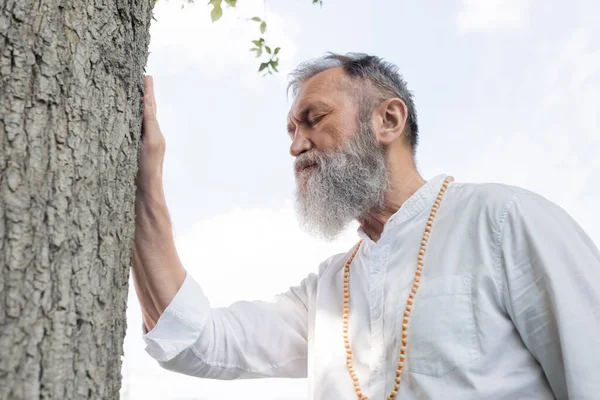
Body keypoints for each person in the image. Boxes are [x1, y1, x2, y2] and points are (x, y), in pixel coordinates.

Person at [132, 53, 600, 400]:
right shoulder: (327, 290)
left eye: (313, 120)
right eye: (291, 132)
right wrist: (142, 182)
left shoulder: (502, 219)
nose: (296, 146)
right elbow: (196, 339)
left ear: (388, 120)